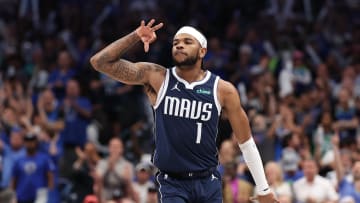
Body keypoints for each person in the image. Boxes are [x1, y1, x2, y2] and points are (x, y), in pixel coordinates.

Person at [90, 19, 277, 203]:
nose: (179, 46)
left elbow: (246, 142)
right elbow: (100, 62)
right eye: (176, 43)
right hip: (173, 183)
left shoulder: (222, 90)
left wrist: (263, 188)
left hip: (208, 181)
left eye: (187, 42)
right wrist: (136, 36)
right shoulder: (158, 77)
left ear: (202, 51)